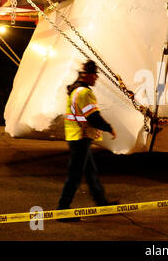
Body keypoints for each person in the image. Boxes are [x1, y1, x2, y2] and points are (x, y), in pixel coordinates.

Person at [57, 60, 117, 222]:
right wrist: (108, 127)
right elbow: (93, 117)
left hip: (77, 136)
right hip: (80, 137)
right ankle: (62, 209)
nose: (97, 78)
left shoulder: (76, 90)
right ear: (88, 75)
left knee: (90, 173)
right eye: (95, 75)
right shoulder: (84, 93)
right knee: (75, 175)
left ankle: (101, 203)